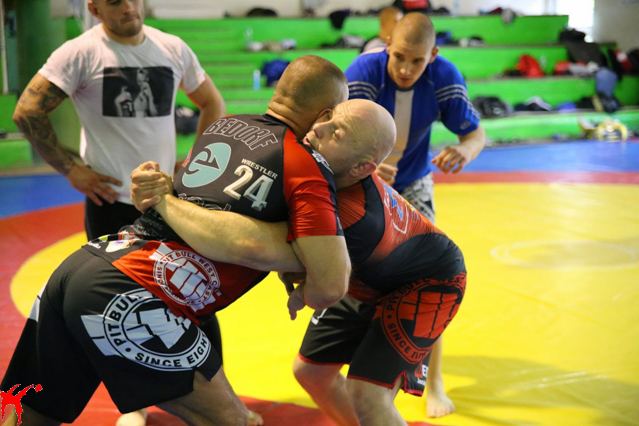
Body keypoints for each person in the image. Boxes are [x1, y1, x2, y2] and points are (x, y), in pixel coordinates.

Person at [0, 55, 351, 426]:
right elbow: (329, 283)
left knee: (31, 412)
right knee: (230, 421)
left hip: (85, 263)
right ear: (326, 116)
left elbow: (212, 205)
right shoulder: (305, 165)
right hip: (132, 288)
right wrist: (306, 257)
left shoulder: (226, 126)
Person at [130, 99, 466, 426]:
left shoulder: (352, 217)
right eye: (329, 117)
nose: (319, 127)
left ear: (361, 168)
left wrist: (165, 199)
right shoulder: (318, 168)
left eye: (337, 132)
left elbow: (252, 245)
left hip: (427, 281)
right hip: (369, 276)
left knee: (368, 394)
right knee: (311, 373)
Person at [345, 12, 486, 417]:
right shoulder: (363, 73)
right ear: (387, 45)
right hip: (362, 179)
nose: (406, 69)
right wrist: (365, 168)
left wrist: (466, 150)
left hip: (413, 181)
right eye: (400, 57)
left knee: (431, 280)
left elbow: (475, 133)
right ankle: (354, 358)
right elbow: (333, 136)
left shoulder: (445, 77)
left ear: (433, 55)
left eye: (417, 61)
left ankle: (434, 381)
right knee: (357, 274)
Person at [11, 0, 225, 242]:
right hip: (109, 201)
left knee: (168, 267)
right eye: (115, 2)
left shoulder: (172, 48)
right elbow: (27, 111)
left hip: (163, 198)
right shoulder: (80, 53)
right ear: (95, 10)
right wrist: (70, 170)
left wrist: (193, 161)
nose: (129, 8)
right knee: (112, 268)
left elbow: (212, 102)